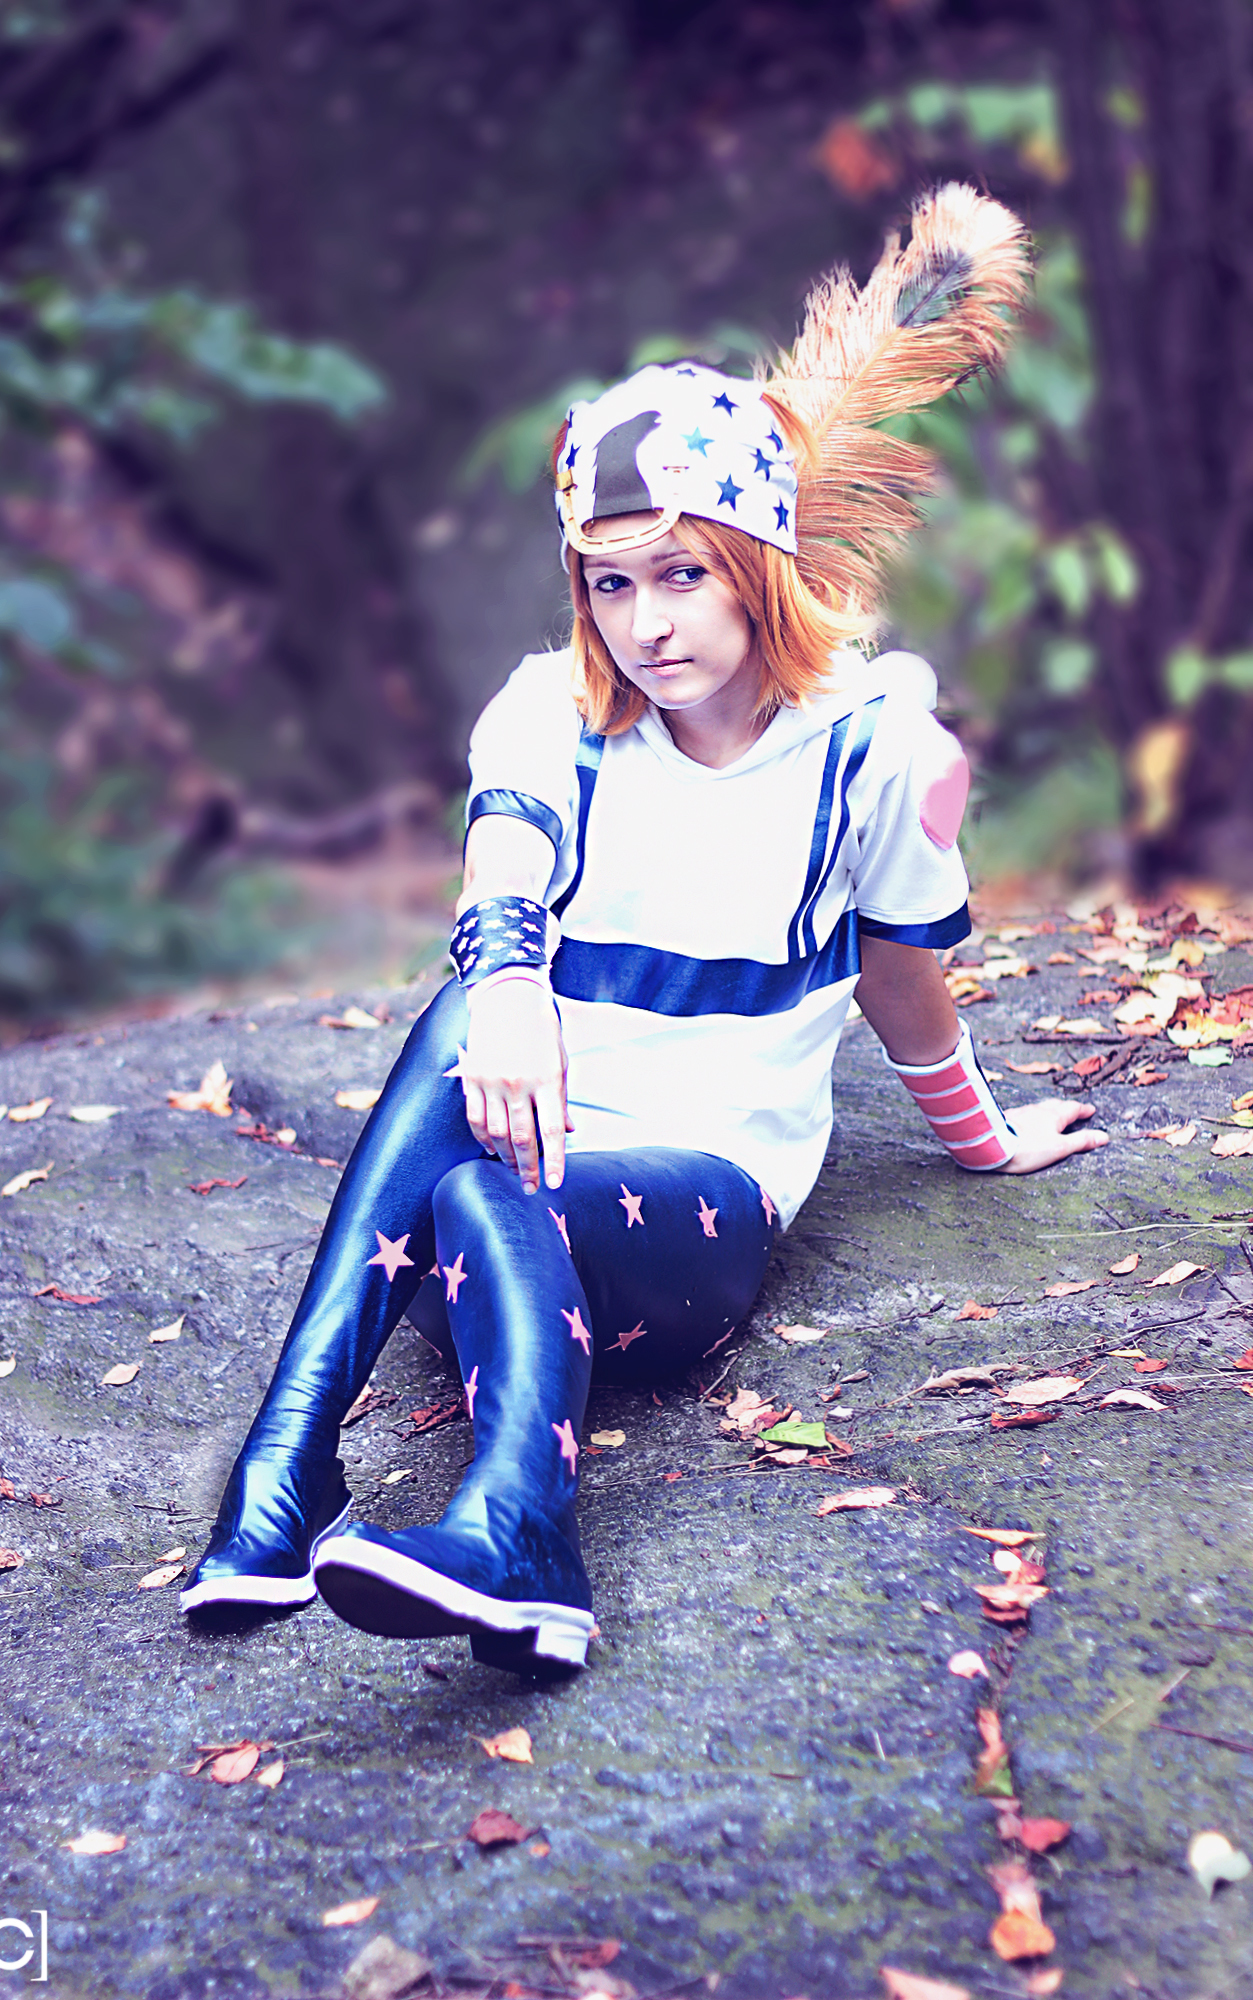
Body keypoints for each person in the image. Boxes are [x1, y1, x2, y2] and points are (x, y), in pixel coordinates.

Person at [181, 184, 1107, 1675]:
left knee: (487, 1201)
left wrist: (980, 1139)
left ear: (759, 567)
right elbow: (508, 845)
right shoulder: (550, 709)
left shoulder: (872, 741)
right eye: (609, 583)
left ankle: (514, 1532)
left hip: (682, 1215)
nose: (645, 623)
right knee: (466, 1045)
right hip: (508, 1146)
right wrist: (505, 987)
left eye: (682, 575)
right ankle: (285, 1475)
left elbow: (900, 974)